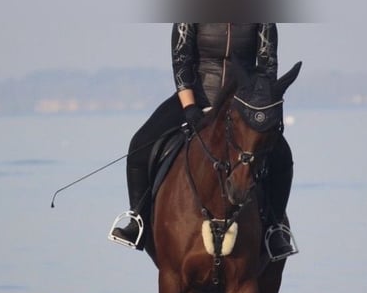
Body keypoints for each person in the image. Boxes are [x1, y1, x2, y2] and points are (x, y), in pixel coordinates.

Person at [109, 23, 297, 260]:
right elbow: (181, 62)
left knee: (282, 154)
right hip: (196, 97)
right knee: (140, 143)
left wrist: (255, 104)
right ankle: (138, 219)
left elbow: (267, 66)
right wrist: (189, 107)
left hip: (245, 103)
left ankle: (274, 227)